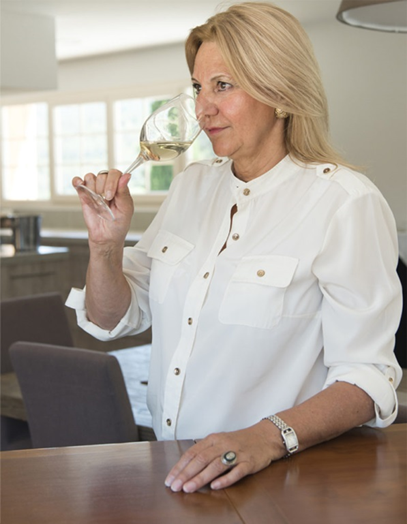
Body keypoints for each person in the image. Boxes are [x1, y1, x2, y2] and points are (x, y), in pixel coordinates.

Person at [67, 2, 403, 493]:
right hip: (176, 475)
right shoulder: (191, 186)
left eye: (223, 85)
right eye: (198, 88)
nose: (203, 108)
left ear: (280, 91)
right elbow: (112, 318)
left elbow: (369, 378)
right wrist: (105, 247)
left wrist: (265, 438)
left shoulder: (344, 202)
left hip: (280, 483)